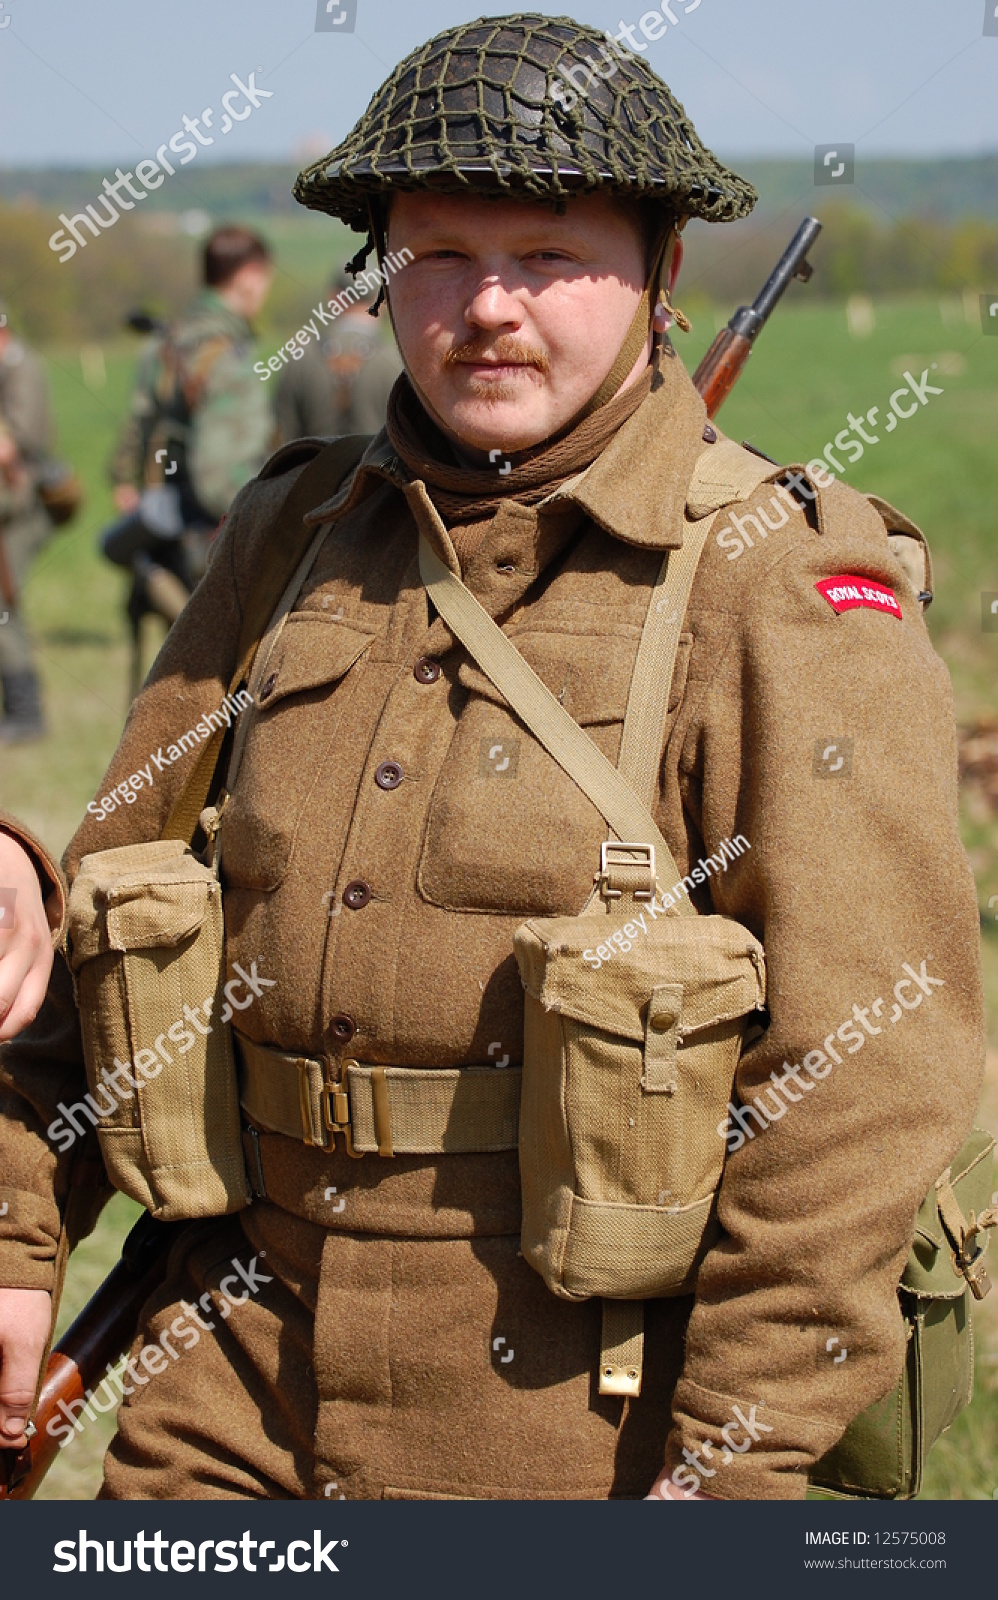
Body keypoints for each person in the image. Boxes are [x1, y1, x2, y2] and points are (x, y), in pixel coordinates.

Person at [0, 14, 985, 1502]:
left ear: (657, 272)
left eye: (545, 254)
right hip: (227, 1401)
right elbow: (99, 920)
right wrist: (19, 1249)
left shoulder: (775, 582)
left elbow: (862, 1094)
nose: (488, 308)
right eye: (437, 255)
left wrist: (724, 1475)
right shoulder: (287, 537)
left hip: (570, 1445)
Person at [101, 226, 276, 617]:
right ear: (249, 277)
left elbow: (138, 422)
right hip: (212, 545)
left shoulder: (163, 344)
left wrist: (125, 481)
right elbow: (222, 486)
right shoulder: (230, 363)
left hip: (163, 525)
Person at [0, 301, 57, 742]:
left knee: (4, 605)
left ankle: (26, 712)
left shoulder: (22, 367)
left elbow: (17, 441)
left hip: (17, 506)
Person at [274, 271, 403, 444]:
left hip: (313, 469)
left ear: (333, 298)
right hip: (379, 470)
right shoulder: (398, 361)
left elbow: (281, 440)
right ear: (383, 300)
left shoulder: (300, 357)